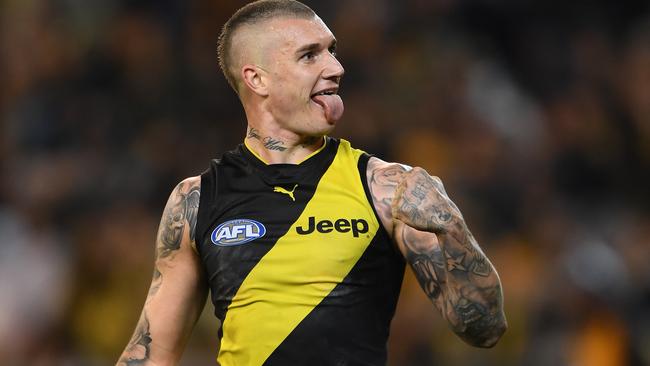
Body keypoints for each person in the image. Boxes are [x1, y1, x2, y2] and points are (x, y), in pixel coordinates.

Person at [117, 0, 507, 365]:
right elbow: (151, 354)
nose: (336, 68)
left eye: (332, 51)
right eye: (310, 55)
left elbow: (483, 328)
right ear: (257, 79)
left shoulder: (387, 188)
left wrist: (452, 228)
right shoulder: (195, 200)